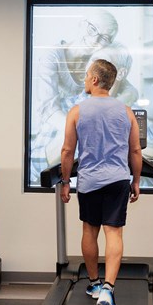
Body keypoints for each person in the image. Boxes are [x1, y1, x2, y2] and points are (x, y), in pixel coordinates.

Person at [59, 58, 142, 305]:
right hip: (117, 179)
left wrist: (65, 182)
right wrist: (136, 180)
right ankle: (108, 288)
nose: (84, 79)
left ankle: (94, 284)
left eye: (86, 76)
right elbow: (136, 150)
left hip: (89, 181)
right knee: (114, 233)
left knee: (89, 229)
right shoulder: (126, 111)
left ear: (95, 80)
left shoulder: (77, 111)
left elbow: (67, 151)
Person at [30, 9, 119, 180]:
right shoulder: (51, 57)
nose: (95, 40)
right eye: (93, 30)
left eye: (104, 38)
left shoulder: (98, 61)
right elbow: (48, 109)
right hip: (53, 135)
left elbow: (129, 90)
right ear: (81, 24)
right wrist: (83, 132)